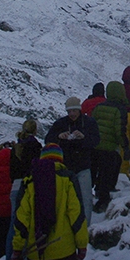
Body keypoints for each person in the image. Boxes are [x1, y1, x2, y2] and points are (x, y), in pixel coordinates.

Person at [11, 144, 88, 260]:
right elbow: (76, 214)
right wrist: (82, 243)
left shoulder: (29, 180)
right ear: (60, 160)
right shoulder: (68, 179)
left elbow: (21, 218)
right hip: (65, 250)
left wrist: (17, 247)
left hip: (37, 251)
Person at [45, 97, 100, 227]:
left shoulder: (89, 122)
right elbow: (48, 139)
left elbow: (96, 141)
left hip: (83, 166)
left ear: (79, 109)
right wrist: (59, 137)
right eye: (70, 111)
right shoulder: (60, 124)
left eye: (74, 111)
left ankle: (85, 227)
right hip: (66, 167)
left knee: (86, 198)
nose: (72, 114)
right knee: (65, 198)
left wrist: (83, 137)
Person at [92, 81, 130, 213]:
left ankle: (90, 195)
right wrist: (125, 147)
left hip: (95, 146)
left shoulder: (99, 106)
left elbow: (92, 123)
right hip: (109, 148)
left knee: (95, 172)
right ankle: (102, 201)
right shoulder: (120, 109)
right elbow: (119, 130)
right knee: (107, 173)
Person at [8, 119, 42, 260]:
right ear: (35, 130)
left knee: (14, 223)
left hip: (15, 185)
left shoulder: (16, 146)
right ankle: (21, 256)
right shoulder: (35, 146)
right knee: (26, 222)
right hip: (27, 185)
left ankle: (10, 255)